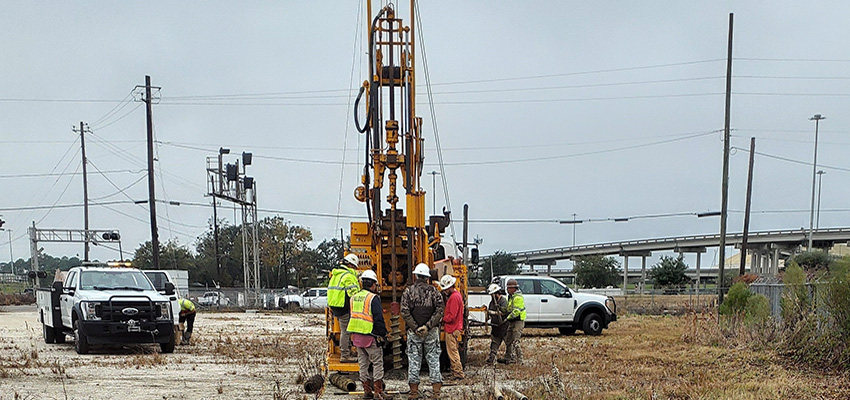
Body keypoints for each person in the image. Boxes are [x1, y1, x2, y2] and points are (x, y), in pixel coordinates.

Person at [401, 263, 444, 399]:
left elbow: (404, 311)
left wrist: (415, 327)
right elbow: (440, 310)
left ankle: (413, 392)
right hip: (431, 332)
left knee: (414, 360)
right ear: (427, 277)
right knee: (433, 360)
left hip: (414, 333)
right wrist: (428, 326)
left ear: (416, 276)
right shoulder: (434, 291)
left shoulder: (408, 291)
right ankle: (436, 393)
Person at [347, 270, 392, 400]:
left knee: (363, 364)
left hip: (357, 337)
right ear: (373, 284)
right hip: (370, 336)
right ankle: (378, 392)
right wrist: (383, 335)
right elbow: (378, 318)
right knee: (377, 363)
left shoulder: (354, 297)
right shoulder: (373, 298)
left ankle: (366, 391)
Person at [328, 253, 362, 363]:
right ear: (351, 265)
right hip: (343, 306)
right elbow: (354, 294)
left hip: (336, 305)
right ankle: (345, 355)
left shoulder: (337, 274)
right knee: (346, 331)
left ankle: (347, 350)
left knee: (345, 330)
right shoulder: (348, 276)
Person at [439, 274, 465, 380]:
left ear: (450, 287)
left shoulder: (454, 298)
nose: (445, 291)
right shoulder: (457, 295)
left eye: (445, 289)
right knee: (453, 351)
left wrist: (442, 319)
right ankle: (456, 371)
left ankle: (458, 373)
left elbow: (451, 316)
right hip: (455, 327)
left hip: (452, 328)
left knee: (452, 352)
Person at [501, 278, 526, 365]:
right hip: (512, 321)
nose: (507, 290)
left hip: (518, 321)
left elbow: (516, 311)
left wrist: (507, 318)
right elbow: (508, 309)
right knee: (508, 339)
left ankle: (520, 360)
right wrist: (502, 309)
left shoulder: (517, 298)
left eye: (508, 288)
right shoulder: (511, 297)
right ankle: (508, 357)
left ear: (513, 288)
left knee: (516, 341)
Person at [484, 283, 508, 364]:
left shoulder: (503, 301)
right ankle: (491, 358)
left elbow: (504, 312)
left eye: (492, 294)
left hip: (504, 325)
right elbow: (490, 313)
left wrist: (493, 312)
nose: (491, 296)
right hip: (495, 326)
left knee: (509, 343)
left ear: (496, 293)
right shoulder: (492, 303)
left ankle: (511, 358)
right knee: (494, 343)